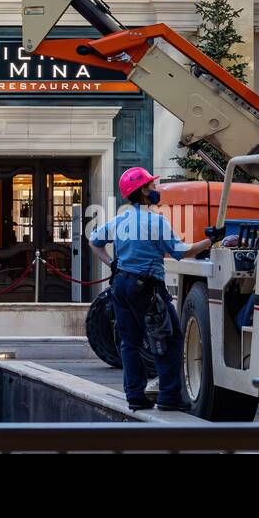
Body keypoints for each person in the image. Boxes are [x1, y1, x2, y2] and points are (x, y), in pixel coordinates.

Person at [88, 167, 221, 413]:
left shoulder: (120, 220)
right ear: (143, 192)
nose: (155, 190)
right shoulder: (156, 221)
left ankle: (135, 396)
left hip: (121, 285)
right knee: (168, 338)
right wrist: (212, 240)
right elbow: (180, 252)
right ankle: (169, 397)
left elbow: (94, 242)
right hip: (147, 289)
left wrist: (112, 263)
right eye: (151, 187)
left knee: (130, 342)